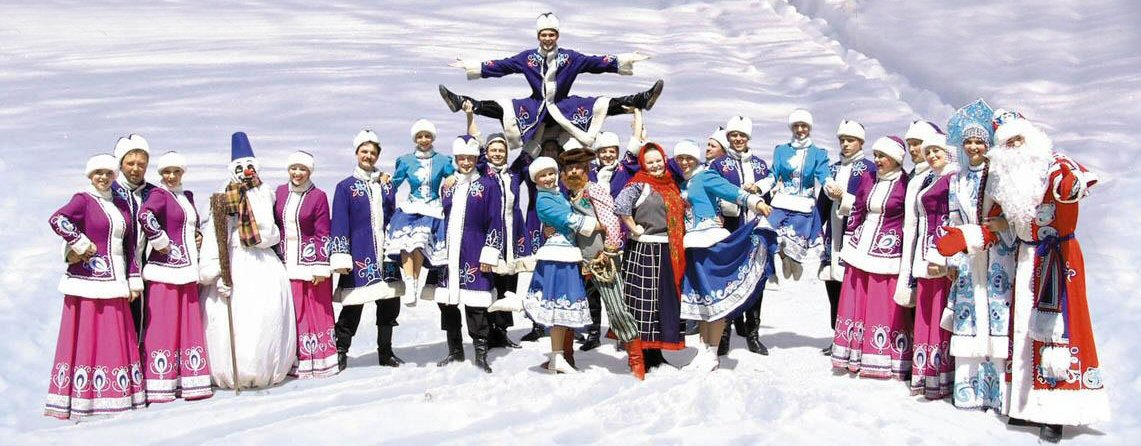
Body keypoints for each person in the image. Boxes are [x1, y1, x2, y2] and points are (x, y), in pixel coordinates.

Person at [937, 112, 1109, 442]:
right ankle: (1026, 405)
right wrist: (967, 237)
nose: (1014, 146)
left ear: (1032, 139)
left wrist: (1071, 184)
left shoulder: (1053, 164)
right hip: (1026, 258)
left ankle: (1056, 412)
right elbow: (996, 224)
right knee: (1025, 333)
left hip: (1057, 259)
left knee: (1057, 331)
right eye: (1007, 143)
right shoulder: (1007, 180)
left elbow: (1076, 183)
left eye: (1018, 139)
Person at [439, 12, 662, 150]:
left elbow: (596, 63)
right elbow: (502, 66)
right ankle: (461, 101)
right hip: (536, 106)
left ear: (557, 36)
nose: (547, 39)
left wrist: (624, 59)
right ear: (538, 36)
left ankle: (642, 99)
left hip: (563, 106)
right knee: (503, 108)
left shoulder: (570, 58)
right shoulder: (527, 58)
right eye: (544, 35)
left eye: (551, 35)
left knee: (601, 104)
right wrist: (473, 66)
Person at [45, 153, 147, 419]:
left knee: (114, 337)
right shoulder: (83, 199)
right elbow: (58, 219)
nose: (103, 177)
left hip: (116, 282)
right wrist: (79, 243)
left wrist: (133, 279)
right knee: (88, 338)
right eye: (98, 173)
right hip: (87, 282)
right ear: (90, 175)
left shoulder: (121, 204)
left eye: (108, 173)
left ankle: (116, 394)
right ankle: (83, 398)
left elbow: (129, 245)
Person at [200, 132, 296, 389]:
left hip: (263, 260)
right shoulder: (224, 195)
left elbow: (274, 227)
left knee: (266, 315)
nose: (245, 172)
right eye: (240, 167)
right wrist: (216, 271)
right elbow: (215, 233)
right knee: (236, 318)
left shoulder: (266, 192)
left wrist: (265, 237)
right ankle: (234, 371)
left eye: (249, 166)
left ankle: (267, 368)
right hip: (235, 259)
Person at [937, 99, 1015, 411]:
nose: (973, 147)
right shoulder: (957, 180)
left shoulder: (998, 176)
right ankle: (969, 390)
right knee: (969, 317)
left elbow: (1013, 214)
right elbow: (953, 219)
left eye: (979, 142)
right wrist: (952, 258)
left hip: (997, 254)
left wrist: (1003, 226)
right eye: (968, 142)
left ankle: (997, 393)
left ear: (988, 145)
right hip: (969, 256)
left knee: (996, 314)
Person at [672, 140, 775, 372]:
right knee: (701, 301)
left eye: (689, 157)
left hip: (709, 242)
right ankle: (702, 351)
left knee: (713, 299)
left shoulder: (705, 176)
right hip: (691, 246)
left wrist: (756, 202)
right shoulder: (682, 182)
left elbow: (732, 192)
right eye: (680, 158)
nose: (685, 162)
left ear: (696, 158)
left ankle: (713, 352)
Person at [828, 137, 913, 379]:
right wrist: (850, 238)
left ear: (895, 159)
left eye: (882, 156)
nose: (877, 160)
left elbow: (910, 218)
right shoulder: (869, 177)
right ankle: (853, 353)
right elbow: (857, 208)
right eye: (875, 155)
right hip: (860, 247)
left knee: (881, 304)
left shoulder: (905, 183)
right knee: (856, 300)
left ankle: (882, 356)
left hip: (887, 252)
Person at [559, 144, 644, 377]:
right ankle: (566, 355)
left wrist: (609, 249)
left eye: (578, 167)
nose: (573, 172)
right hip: (575, 260)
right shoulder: (565, 196)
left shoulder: (594, 190)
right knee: (569, 306)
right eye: (569, 169)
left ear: (586, 169)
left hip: (600, 258)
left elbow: (611, 220)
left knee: (616, 306)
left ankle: (636, 359)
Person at [137, 151, 212, 402]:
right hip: (165, 270)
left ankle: (188, 379)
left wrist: (197, 237)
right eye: (166, 172)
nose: (171, 176)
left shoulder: (186, 196)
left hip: (187, 271)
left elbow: (190, 225)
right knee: (163, 326)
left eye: (176, 172)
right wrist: (160, 241)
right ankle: (160, 383)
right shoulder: (159, 194)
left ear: (183, 173)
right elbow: (145, 215)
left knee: (187, 325)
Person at [330, 130, 406, 369]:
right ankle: (340, 350)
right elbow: (339, 222)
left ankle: (386, 352)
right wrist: (341, 256)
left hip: (385, 252)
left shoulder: (386, 185)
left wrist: (397, 246)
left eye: (373, 153)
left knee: (389, 304)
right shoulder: (345, 187)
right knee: (353, 304)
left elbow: (392, 216)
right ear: (356, 153)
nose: (368, 156)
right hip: (359, 252)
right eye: (364, 151)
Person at [615, 142, 689, 371]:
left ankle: (657, 353)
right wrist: (633, 227)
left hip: (668, 249)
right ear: (643, 164)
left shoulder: (670, 183)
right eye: (650, 162)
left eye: (659, 160)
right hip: (645, 250)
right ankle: (643, 354)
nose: (656, 165)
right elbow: (620, 206)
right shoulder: (638, 184)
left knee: (663, 303)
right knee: (644, 303)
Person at [434, 136, 504, 373]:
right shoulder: (448, 185)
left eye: (470, 158)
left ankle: (481, 353)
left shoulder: (488, 186)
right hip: (448, 252)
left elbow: (496, 221)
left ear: (476, 159)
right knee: (447, 302)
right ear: (456, 158)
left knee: (476, 305)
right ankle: (455, 350)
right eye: (461, 158)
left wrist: (489, 254)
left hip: (474, 249)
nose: (465, 162)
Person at [522, 157, 598, 373]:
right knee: (558, 307)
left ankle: (559, 356)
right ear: (535, 179)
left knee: (562, 308)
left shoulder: (557, 194)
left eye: (551, 173)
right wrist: (598, 225)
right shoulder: (543, 199)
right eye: (542, 175)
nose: (548, 178)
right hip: (557, 256)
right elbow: (567, 219)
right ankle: (558, 356)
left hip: (567, 253)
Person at [708, 115, 776, 356]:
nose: (738, 139)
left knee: (757, 279)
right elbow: (711, 192)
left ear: (748, 137)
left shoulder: (760, 166)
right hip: (731, 230)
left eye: (742, 135)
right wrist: (722, 209)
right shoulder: (719, 165)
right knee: (729, 280)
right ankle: (724, 335)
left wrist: (759, 192)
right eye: (733, 135)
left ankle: (753, 334)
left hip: (755, 230)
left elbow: (769, 199)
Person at [274, 150, 338, 378]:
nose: (297, 173)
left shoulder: (318, 196)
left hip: (311, 264)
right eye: (294, 168)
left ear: (310, 171)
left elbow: (323, 232)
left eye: (302, 169)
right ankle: (295, 360)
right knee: (294, 312)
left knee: (315, 311)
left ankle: (321, 360)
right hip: (285, 261)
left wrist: (321, 265)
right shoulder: (280, 192)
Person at [906, 133, 958, 400]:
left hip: (940, 254)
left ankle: (940, 376)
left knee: (939, 310)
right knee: (926, 311)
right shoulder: (932, 178)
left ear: (948, 152)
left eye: (937, 150)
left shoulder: (952, 178)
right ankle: (925, 373)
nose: (931, 155)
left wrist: (943, 256)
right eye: (928, 152)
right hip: (925, 252)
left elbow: (952, 219)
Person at [817, 120, 876, 356]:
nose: (845, 144)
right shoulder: (831, 170)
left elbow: (869, 203)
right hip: (832, 237)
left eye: (850, 140)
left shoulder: (870, 169)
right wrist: (814, 230)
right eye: (842, 140)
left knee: (853, 290)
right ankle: (837, 335)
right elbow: (821, 205)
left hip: (855, 236)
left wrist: (844, 198)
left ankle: (856, 338)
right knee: (833, 288)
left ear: (861, 142)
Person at [386, 119, 454, 306]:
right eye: (420, 136)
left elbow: (453, 175)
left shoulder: (442, 160)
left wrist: (452, 177)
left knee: (419, 242)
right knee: (406, 243)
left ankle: (414, 285)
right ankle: (410, 284)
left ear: (433, 138)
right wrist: (383, 178)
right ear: (415, 139)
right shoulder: (406, 160)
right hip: (411, 207)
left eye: (427, 136)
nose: (424, 140)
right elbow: (395, 183)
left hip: (431, 208)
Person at [769, 109, 831, 281]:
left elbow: (824, 175)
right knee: (768, 231)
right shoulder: (781, 150)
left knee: (796, 238)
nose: (800, 129)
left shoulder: (818, 153)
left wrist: (830, 185)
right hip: (782, 201)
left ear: (809, 127)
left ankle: (794, 260)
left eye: (803, 126)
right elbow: (773, 175)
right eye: (796, 126)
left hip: (804, 204)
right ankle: (784, 257)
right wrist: (759, 187)